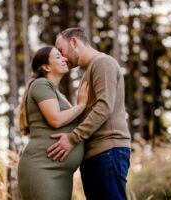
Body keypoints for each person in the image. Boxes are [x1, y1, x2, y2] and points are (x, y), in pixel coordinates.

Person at [47, 28, 131, 200]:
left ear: (74, 42)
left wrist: (72, 138)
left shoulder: (103, 63)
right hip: (95, 155)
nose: (62, 58)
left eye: (61, 51)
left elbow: (104, 107)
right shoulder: (88, 72)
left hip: (108, 151)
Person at [17, 46, 88, 200]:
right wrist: (81, 105)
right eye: (58, 56)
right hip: (42, 168)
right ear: (46, 66)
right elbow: (56, 119)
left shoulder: (55, 91)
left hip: (60, 173)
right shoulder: (41, 84)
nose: (64, 59)